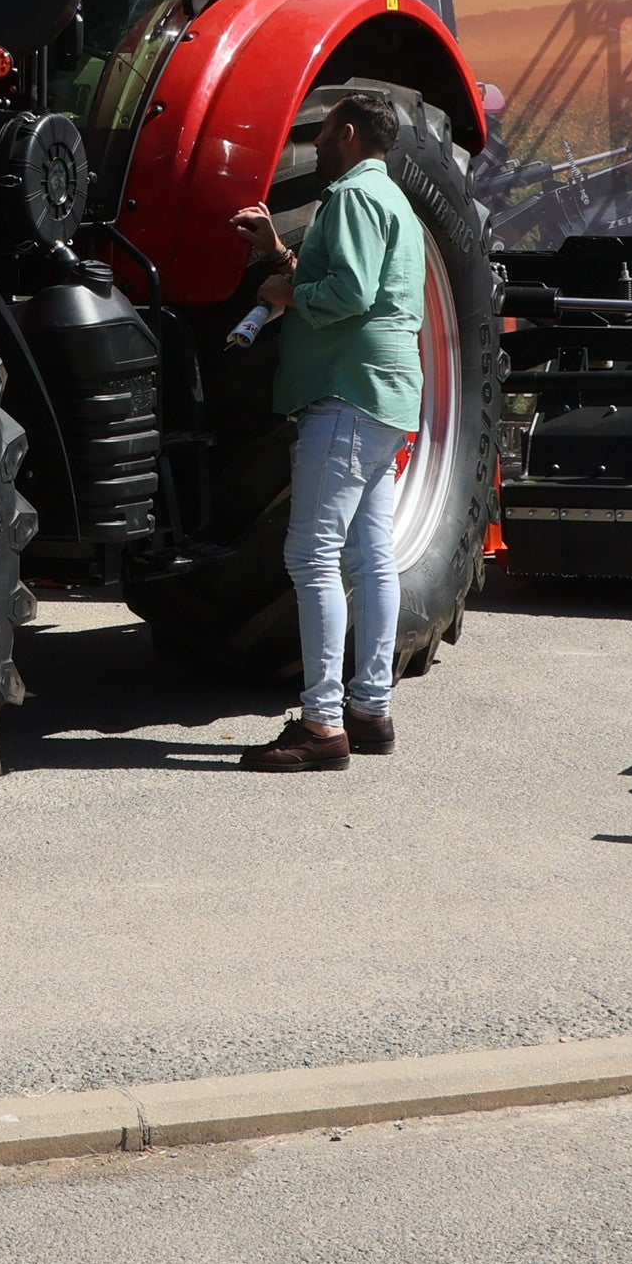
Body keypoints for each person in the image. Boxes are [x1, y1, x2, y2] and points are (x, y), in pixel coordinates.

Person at [231, 90, 427, 773]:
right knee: (370, 557)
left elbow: (347, 295)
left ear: (345, 131)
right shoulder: (392, 199)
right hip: (387, 396)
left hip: (343, 395)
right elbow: (353, 279)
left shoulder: (348, 197)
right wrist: (283, 256)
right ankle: (370, 710)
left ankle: (322, 724)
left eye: (322, 129)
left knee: (312, 557)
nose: (315, 139)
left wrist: (285, 295)